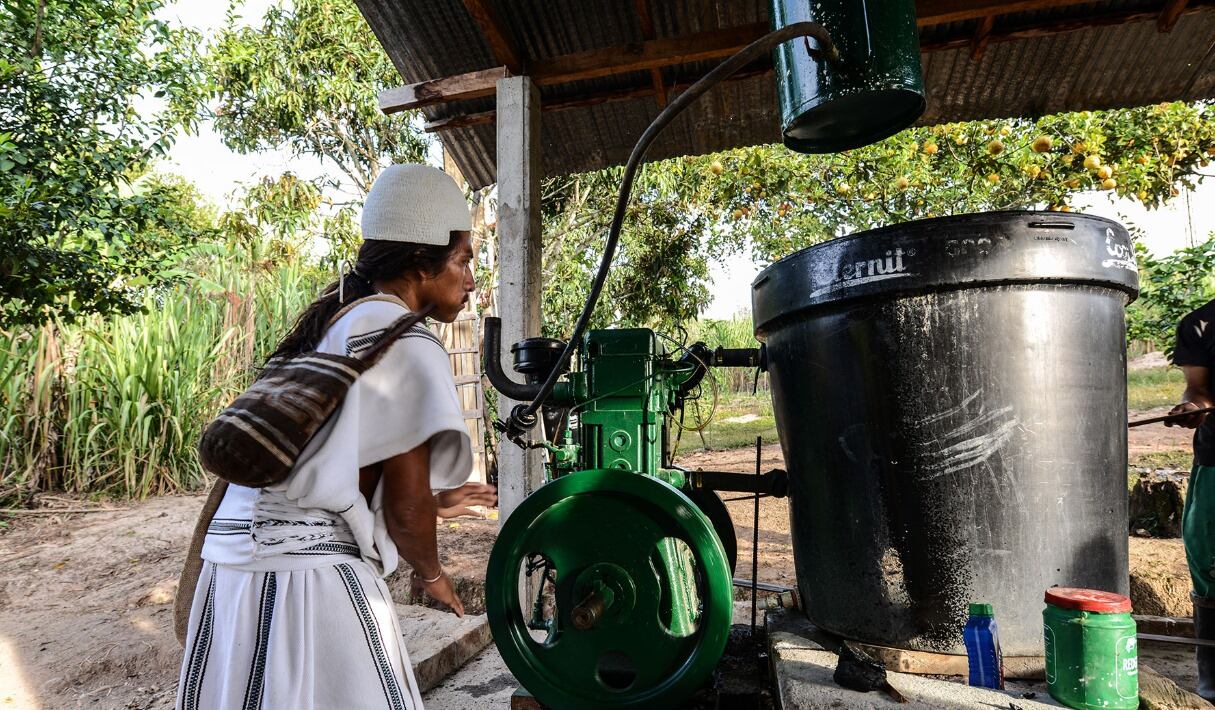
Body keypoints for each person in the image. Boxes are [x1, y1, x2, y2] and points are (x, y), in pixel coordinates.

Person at [176, 164, 497, 710]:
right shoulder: (405, 340)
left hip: (232, 566)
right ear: (422, 262)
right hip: (304, 576)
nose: (471, 279)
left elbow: (333, 465)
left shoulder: (332, 322)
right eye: (464, 260)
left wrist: (437, 505)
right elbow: (403, 508)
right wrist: (432, 574)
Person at [1165, 299, 1215, 702]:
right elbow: (1200, 391)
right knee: (1210, 565)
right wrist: (1195, 408)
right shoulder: (1200, 324)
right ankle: (1213, 686)